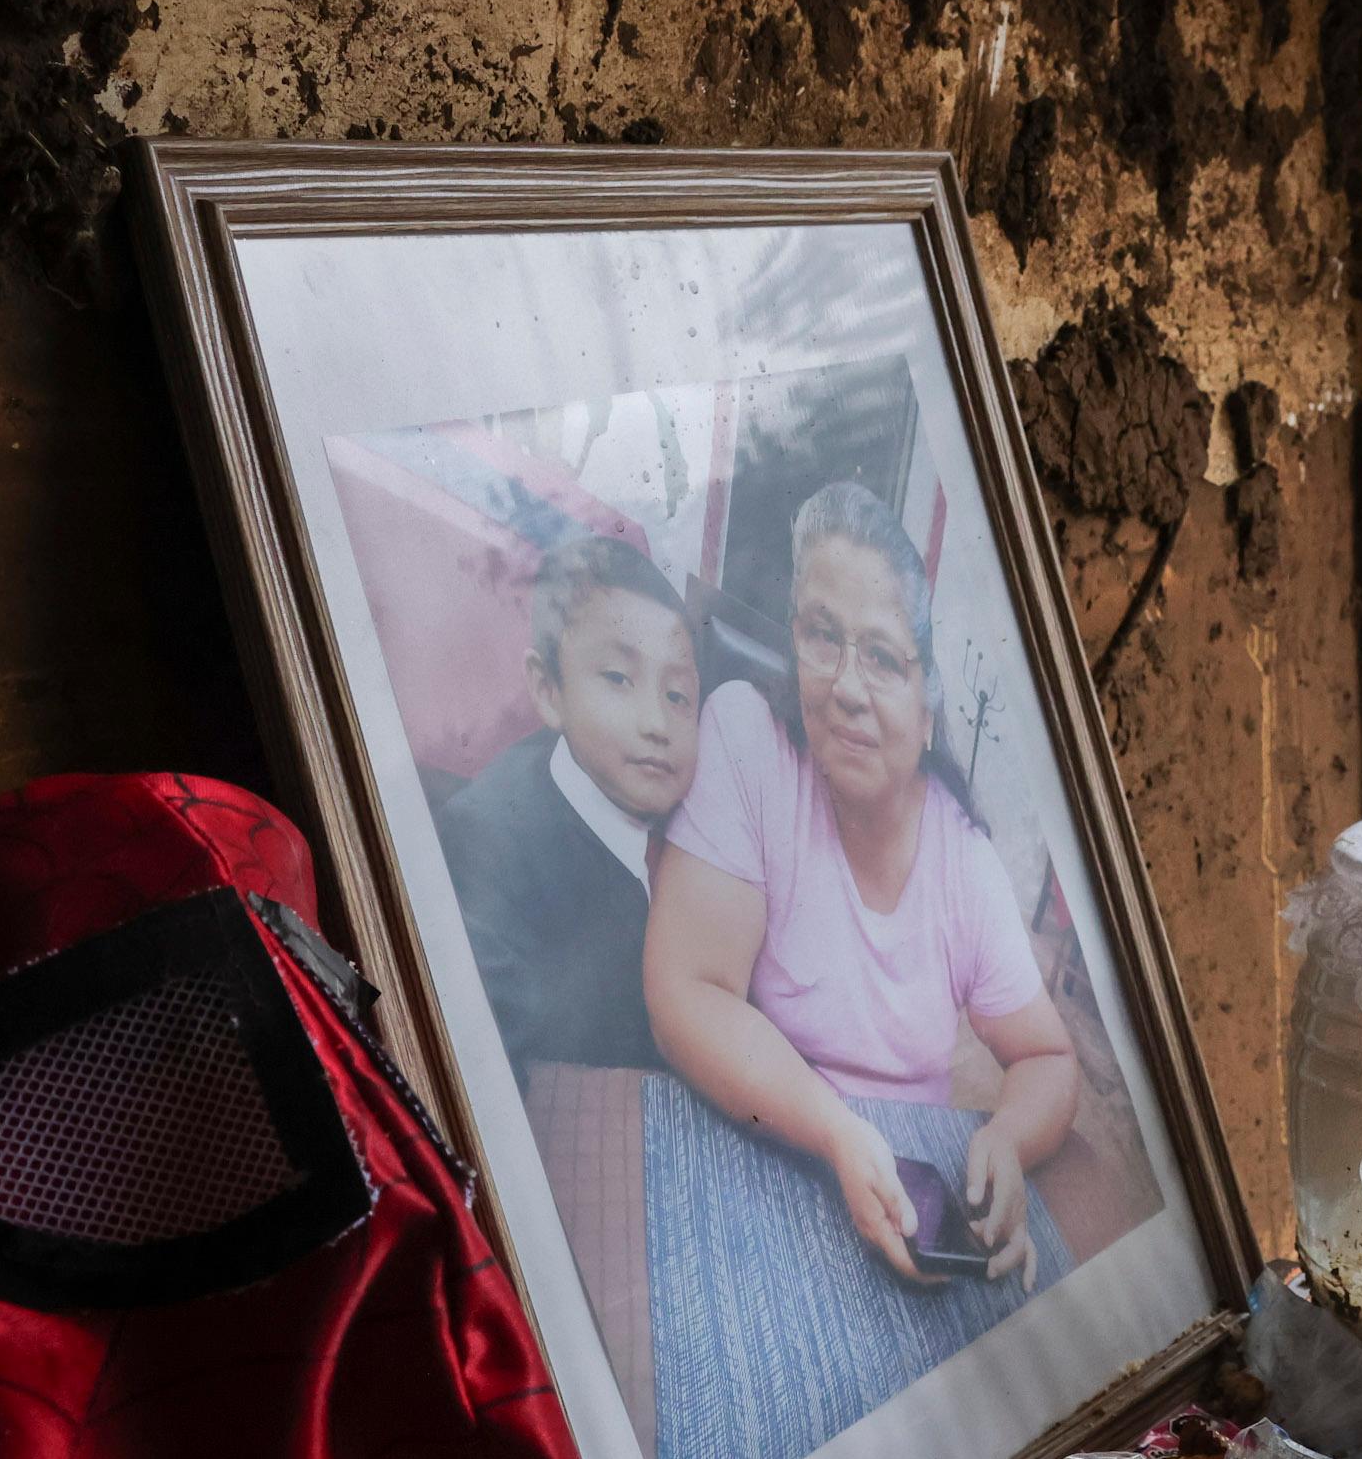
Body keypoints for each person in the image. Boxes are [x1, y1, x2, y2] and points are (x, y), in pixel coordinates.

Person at [645, 480, 1079, 1288]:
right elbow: (686, 995)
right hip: (752, 1148)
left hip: (898, 1194)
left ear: (927, 708)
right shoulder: (750, 743)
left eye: (881, 658)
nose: (845, 685)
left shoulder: (964, 866)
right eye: (822, 636)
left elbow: (1048, 1057)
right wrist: (837, 1133)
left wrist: (1006, 1141)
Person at [439, 532, 700, 1077]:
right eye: (618, 679)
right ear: (549, 690)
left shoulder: (695, 820)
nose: (656, 724)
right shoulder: (487, 843)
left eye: (678, 695)